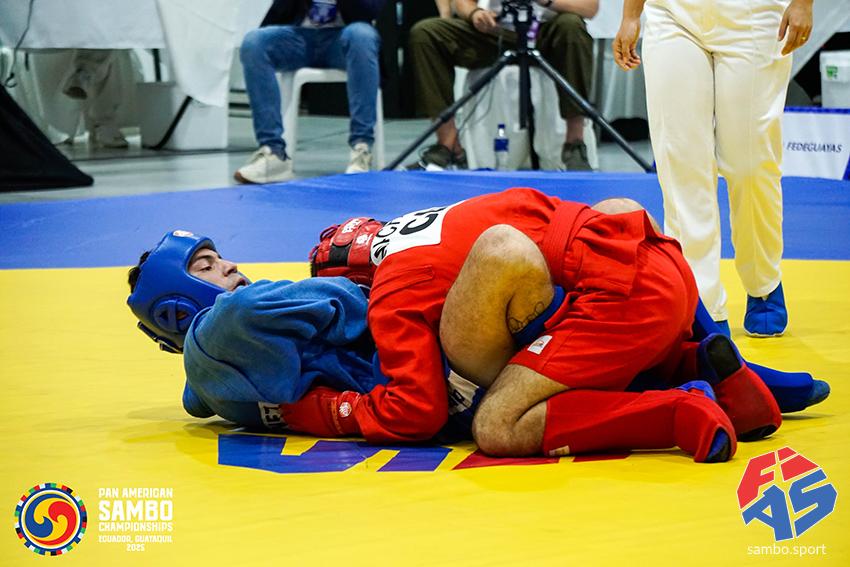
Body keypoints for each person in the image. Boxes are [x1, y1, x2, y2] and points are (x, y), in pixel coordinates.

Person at [305, 189, 827, 459]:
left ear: (355, 283)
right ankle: (728, 369)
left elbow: (414, 412)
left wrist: (316, 410)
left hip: (624, 307)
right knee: (611, 211)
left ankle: (675, 409)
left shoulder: (392, 284)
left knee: (496, 424)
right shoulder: (447, 215)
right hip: (663, 263)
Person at [612, 0, 814, 337]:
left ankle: (763, 281)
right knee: (682, 164)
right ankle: (701, 304)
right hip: (672, 14)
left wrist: (804, 3)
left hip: (755, 15)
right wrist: (631, 14)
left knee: (750, 166)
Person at [407, 0, 598, 171]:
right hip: (494, 32)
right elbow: (462, 3)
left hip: (546, 34)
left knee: (572, 25)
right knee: (426, 33)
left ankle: (574, 144)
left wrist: (548, 2)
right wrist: (475, 13)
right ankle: (448, 145)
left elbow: (590, 8)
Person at [234, 0, 384, 184]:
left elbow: (371, 9)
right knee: (254, 42)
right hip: (300, 37)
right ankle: (272, 152)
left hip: (344, 38)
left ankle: (361, 148)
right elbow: (281, 9)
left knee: (362, 35)